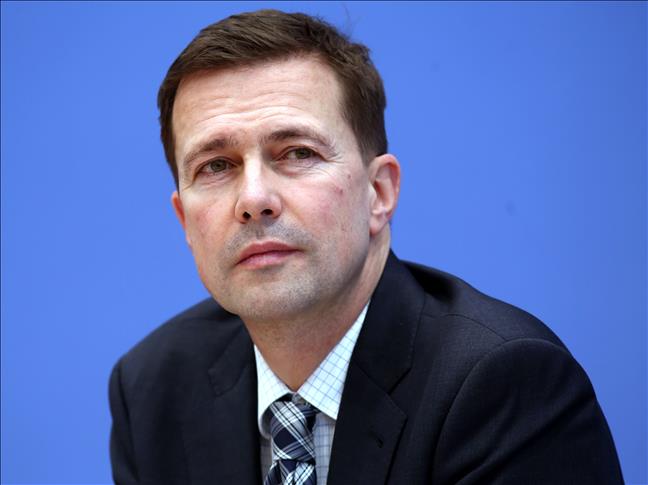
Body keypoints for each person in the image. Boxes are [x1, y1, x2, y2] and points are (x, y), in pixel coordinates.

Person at [109, 9, 624, 485]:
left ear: (379, 193)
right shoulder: (153, 389)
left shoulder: (502, 386)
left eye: (297, 153)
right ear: (185, 219)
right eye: (216, 166)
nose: (254, 200)